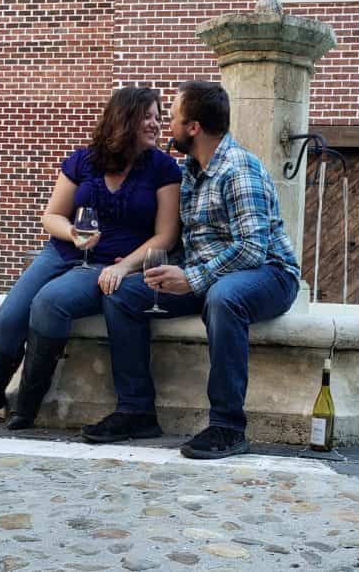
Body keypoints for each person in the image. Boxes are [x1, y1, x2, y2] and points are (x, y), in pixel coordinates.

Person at [0, 87, 182, 429]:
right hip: (61, 252)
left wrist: (124, 266)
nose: (156, 124)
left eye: (159, 117)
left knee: (50, 303)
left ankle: (27, 404)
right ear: (123, 118)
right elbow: (51, 216)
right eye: (148, 116)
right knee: (9, 316)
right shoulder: (84, 160)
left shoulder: (163, 168)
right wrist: (72, 233)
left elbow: (166, 235)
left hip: (108, 263)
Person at [81, 81, 300, 458]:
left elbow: (252, 248)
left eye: (175, 118)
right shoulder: (191, 172)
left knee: (224, 296)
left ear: (193, 127)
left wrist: (193, 279)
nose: (169, 126)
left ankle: (228, 426)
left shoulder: (238, 168)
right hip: (208, 274)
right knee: (123, 297)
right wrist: (150, 269)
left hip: (270, 275)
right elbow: (190, 241)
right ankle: (136, 411)